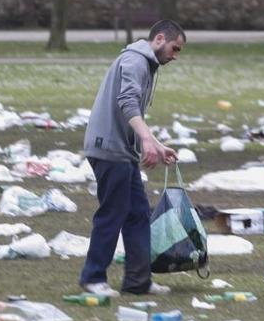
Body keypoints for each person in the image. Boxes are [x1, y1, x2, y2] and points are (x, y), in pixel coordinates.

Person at [79, 19, 186, 297]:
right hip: (108, 148)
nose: (175, 56)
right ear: (160, 39)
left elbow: (133, 115)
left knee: (138, 214)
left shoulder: (147, 65)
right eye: (175, 49)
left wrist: (156, 145)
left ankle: (138, 281)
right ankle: (93, 278)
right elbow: (126, 102)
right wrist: (147, 140)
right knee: (112, 213)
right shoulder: (135, 61)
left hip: (123, 150)